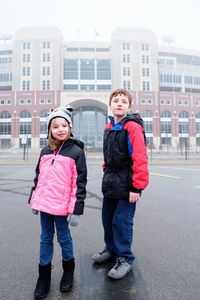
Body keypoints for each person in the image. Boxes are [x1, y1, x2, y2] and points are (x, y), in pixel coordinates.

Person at [28, 106, 87, 299]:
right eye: (55, 126)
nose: (60, 129)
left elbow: (79, 182)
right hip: (45, 205)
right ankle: (43, 276)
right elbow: (39, 178)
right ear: (50, 130)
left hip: (62, 208)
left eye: (64, 125)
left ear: (70, 127)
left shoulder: (76, 151)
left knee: (64, 238)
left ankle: (68, 271)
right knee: (45, 238)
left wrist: (76, 210)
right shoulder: (45, 151)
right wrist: (34, 199)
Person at [92, 88, 149, 279]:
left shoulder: (132, 127)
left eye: (123, 101)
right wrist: (105, 170)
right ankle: (111, 250)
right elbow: (108, 155)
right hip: (110, 183)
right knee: (107, 219)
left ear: (129, 107)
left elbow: (140, 158)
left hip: (127, 185)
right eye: (115, 100)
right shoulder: (108, 127)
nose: (119, 103)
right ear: (110, 104)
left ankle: (125, 258)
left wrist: (136, 187)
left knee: (122, 223)